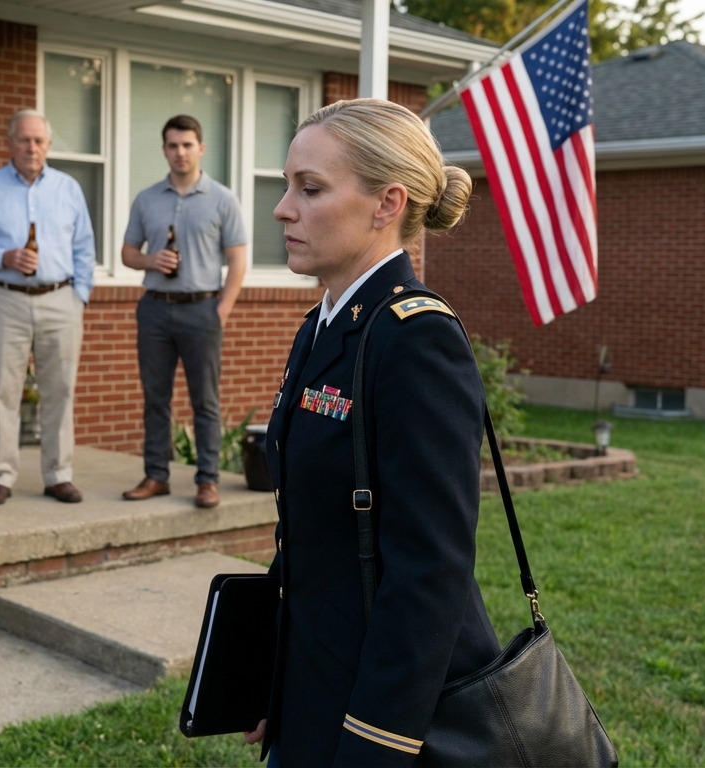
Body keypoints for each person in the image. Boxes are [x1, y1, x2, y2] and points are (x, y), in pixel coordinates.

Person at [247, 99, 493, 766]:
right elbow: (312, 530)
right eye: (287, 184)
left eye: (311, 188)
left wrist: (374, 746)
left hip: (380, 720)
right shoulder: (322, 327)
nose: (283, 208)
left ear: (387, 204)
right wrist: (274, 677)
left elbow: (430, 574)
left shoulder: (415, 341)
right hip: (312, 692)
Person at [0, 109, 96, 506]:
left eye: (39, 141)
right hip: (5, 300)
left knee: (60, 391)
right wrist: (4, 256)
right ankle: (0, 475)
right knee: (1, 391)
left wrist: (79, 296)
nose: (31, 148)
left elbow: (84, 247)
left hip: (60, 300)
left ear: (47, 145)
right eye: (24, 140)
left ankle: (58, 474)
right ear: (10, 143)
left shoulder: (68, 189)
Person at [120, 115, 247, 509]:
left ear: (201, 148)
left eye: (187, 145)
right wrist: (149, 260)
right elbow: (127, 254)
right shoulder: (146, 199)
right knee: (155, 398)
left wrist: (220, 311)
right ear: (164, 150)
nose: (180, 152)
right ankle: (156, 475)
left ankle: (207, 480)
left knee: (204, 400)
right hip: (155, 310)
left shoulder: (222, 198)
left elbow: (237, 260)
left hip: (201, 309)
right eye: (173, 145)